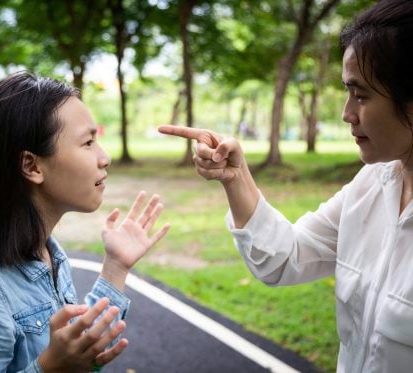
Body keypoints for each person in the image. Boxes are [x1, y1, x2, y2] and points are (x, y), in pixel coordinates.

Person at [158, 0, 413, 372]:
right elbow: (285, 258)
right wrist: (235, 176)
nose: (346, 114)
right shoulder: (372, 186)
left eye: (361, 95)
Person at [0, 71, 170, 373]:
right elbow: (61, 364)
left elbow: (80, 353)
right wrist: (50, 368)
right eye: (88, 142)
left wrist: (116, 267)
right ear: (31, 165)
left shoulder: (47, 253)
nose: (104, 158)